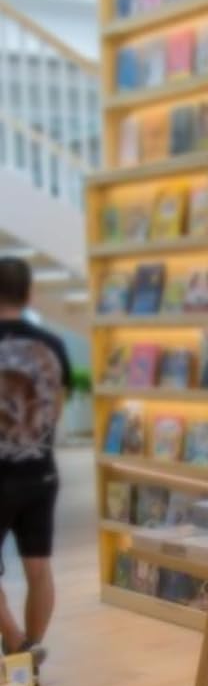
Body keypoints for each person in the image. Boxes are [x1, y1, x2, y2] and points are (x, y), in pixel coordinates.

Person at [0, 258, 71, 664]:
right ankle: (31, 651)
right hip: (40, 472)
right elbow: (55, 409)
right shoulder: (52, 345)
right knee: (39, 568)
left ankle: (15, 641)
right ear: (29, 294)